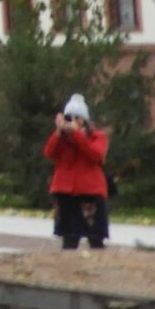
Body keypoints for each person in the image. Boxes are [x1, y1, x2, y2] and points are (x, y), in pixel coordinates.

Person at [45, 93, 110, 250]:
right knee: (69, 238)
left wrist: (77, 135)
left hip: (90, 192)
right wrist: (59, 133)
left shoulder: (97, 137)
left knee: (95, 238)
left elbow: (95, 155)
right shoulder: (61, 138)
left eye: (77, 118)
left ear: (85, 120)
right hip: (65, 192)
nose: (73, 121)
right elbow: (49, 153)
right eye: (69, 117)